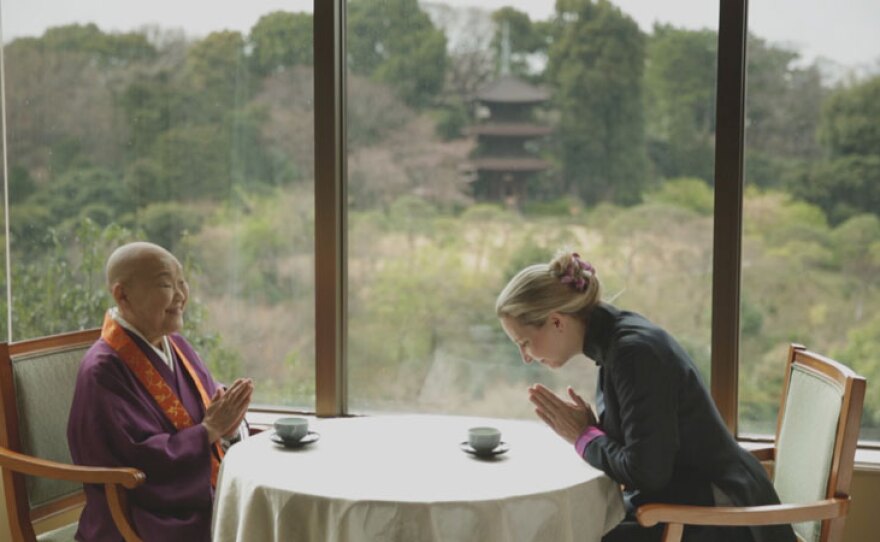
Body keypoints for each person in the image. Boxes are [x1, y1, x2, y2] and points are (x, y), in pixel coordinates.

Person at [495, 251, 795, 542]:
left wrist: (585, 437)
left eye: (524, 342)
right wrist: (592, 432)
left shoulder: (632, 354)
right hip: (682, 500)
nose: (526, 357)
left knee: (563, 532)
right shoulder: (616, 340)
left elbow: (647, 472)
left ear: (557, 322)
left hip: (718, 514)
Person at [68, 241, 254, 542]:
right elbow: (138, 459)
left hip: (193, 494)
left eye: (183, 282)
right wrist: (207, 432)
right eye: (167, 284)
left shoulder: (177, 346)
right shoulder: (103, 370)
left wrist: (228, 430)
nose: (181, 296)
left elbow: (211, 419)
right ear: (122, 294)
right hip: (143, 512)